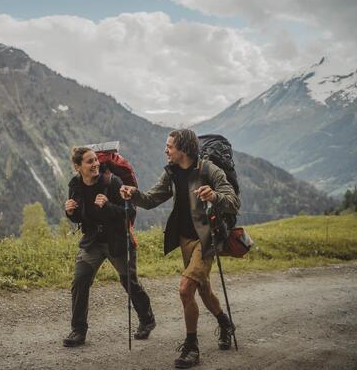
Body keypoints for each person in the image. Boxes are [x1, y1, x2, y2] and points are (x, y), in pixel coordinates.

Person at [120, 129, 240, 369]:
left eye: (169, 146)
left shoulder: (209, 170)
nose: (166, 150)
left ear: (183, 149)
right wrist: (133, 194)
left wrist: (215, 196)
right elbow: (152, 198)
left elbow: (233, 202)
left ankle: (191, 347)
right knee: (204, 291)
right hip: (185, 240)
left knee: (186, 289)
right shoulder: (173, 173)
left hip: (206, 240)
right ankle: (225, 323)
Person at [63, 147, 155, 347]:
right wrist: (70, 213)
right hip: (93, 241)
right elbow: (80, 216)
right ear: (78, 167)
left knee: (129, 282)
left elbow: (128, 212)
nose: (95, 164)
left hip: (117, 240)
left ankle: (147, 320)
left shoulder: (112, 182)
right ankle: (78, 331)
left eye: (96, 160)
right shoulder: (75, 185)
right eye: (89, 161)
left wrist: (108, 206)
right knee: (80, 281)